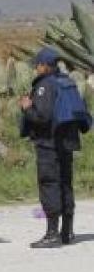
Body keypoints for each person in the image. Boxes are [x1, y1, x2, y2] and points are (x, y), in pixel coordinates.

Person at [20, 47, 90, 248]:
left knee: (49, 184)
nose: (36, 69)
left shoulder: (45, 86)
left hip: (48, 143)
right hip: (66, 143)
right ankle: (67, 231)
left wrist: (26, 107)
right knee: (65, 184)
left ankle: (52, 234)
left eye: (37, 65)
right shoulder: (66, 82)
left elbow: (42, 117)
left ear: (44, 66)